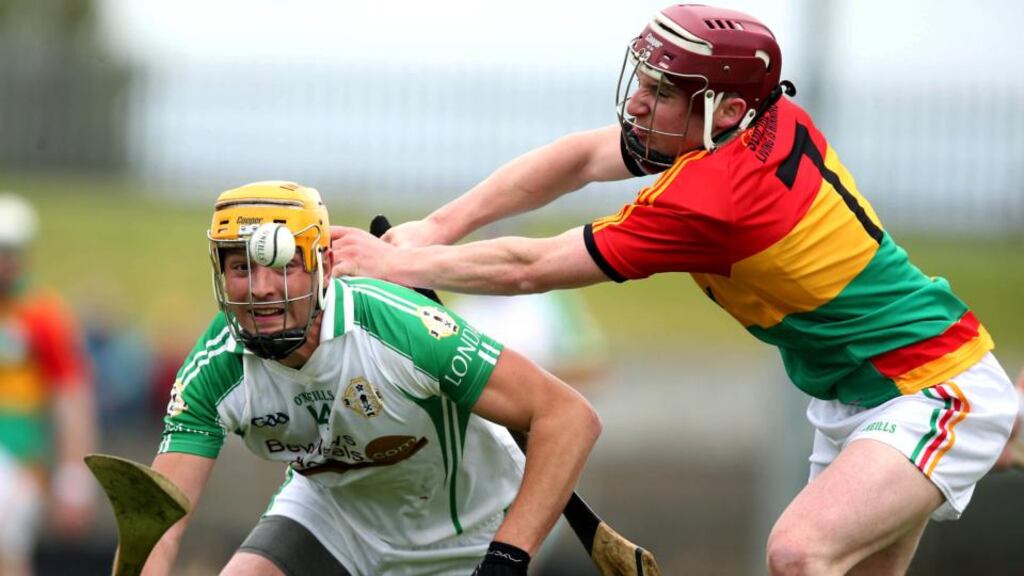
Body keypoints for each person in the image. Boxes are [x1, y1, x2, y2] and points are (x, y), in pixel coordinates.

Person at [329, 5, 1018, 574]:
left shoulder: (711, 199)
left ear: (724, 110)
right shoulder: (753, 122)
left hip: (926, 384)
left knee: (800, 555)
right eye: (646, 80)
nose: (637, 102)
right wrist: (438, 228)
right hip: (859, 394)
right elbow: (577, 160)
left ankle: (999, 424)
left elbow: (530, 268)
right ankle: (1006, 427)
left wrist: (392, 266)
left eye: (661, 92)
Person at [141, 181, 600, 576]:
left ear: (322, 266)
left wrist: (508, 556)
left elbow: (568, 417)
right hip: (334, 519)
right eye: (242, 267)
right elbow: (158, 518)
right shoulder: (215, 366)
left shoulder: (401, 328)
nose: (261, 288)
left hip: (473, 532)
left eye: (283, 265)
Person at [0, 193, 97, 576]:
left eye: (11, 252)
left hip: (20, 462)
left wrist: (74, 479)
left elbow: (72, 398)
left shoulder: (42, 315)